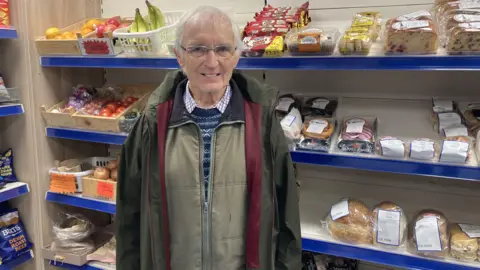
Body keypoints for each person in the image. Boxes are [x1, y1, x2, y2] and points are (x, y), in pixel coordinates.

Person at [116, 5, 301, 270]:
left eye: (223, 49)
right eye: (198, 49)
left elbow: (286, 217)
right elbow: (129, 218)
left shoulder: (262, 121)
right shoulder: (151, 123)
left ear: (237, 55)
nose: (212, 62)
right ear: (179, 55)